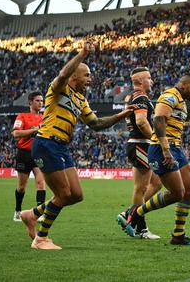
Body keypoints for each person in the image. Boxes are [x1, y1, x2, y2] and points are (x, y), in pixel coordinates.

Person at [20, 37, 133, 250]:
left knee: (76, 195)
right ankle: (41, 239)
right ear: (74, 76)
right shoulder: (58, 90)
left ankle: (32, 215)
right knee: (63, 194)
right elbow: (62, 74)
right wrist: (82, 54)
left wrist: (123, 114)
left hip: (61, 147)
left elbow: (96, 124)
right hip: (46, 143)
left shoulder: (81, 100)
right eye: (87, 75)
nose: (90, 79)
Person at [123, 74, 190, 246]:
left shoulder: (181, 101)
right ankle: (136, 212)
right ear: (184, 85)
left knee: (189, 191)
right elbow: (158, 120)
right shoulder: (170, 96)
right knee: (177, 193)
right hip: (161, 149)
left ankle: (178, 235)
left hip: (176, 148)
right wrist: (166, 149)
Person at [116, 67, 162, 239]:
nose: (151, 81)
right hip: (140, 144)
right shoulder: (140, 97)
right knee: (141, 188)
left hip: (140, 144)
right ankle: (141, 228)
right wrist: (155, 139)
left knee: (157, 182)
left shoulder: (133, 97)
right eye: (149, 78)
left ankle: (129, 213)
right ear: (140, 81)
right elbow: (142, 122)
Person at [11, 91, 45, 221]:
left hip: (39, 154)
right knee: (21, 187)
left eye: (42, 101)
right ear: (30, 102)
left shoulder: (45, 118)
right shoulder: (22, 116)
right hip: (24, 154)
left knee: (41, 183)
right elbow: (16, 134)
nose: (40, 103)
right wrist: (35, 130)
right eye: (37, 100)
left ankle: (40, 213)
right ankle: (18, 210)